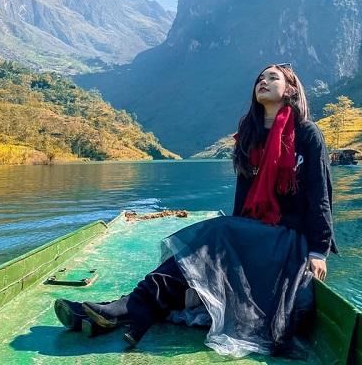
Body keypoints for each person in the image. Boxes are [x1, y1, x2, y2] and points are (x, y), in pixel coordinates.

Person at [53, 63, 336, 357]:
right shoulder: (249, 136)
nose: (262, 82)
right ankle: (122, 312)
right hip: (254, 235)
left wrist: (318, 251)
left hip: (288, 240)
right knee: (212, 245)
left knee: (218, 230)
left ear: (290, 89)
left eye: (272, 78)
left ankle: (126, 309)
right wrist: (234, 249)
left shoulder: (306, 133)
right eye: (259, 78)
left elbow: (320, 195)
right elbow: (243, 201)